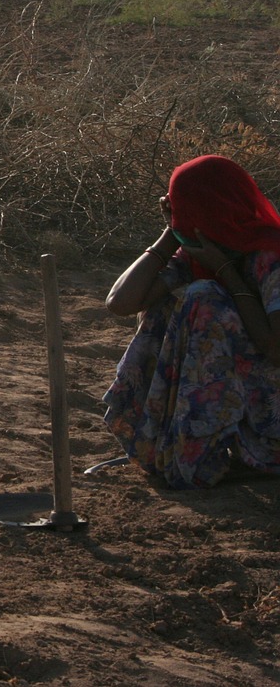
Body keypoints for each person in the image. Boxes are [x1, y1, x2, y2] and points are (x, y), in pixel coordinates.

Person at [102, 154, 280, 489]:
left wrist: (227, 274)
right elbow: (120, 302)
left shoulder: (269, 254)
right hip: (240, 387)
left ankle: (233, 449)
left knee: (203, 298)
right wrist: (171, 234)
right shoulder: (202, 252)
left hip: (270, 405)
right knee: (164, 303)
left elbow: (276, 349)